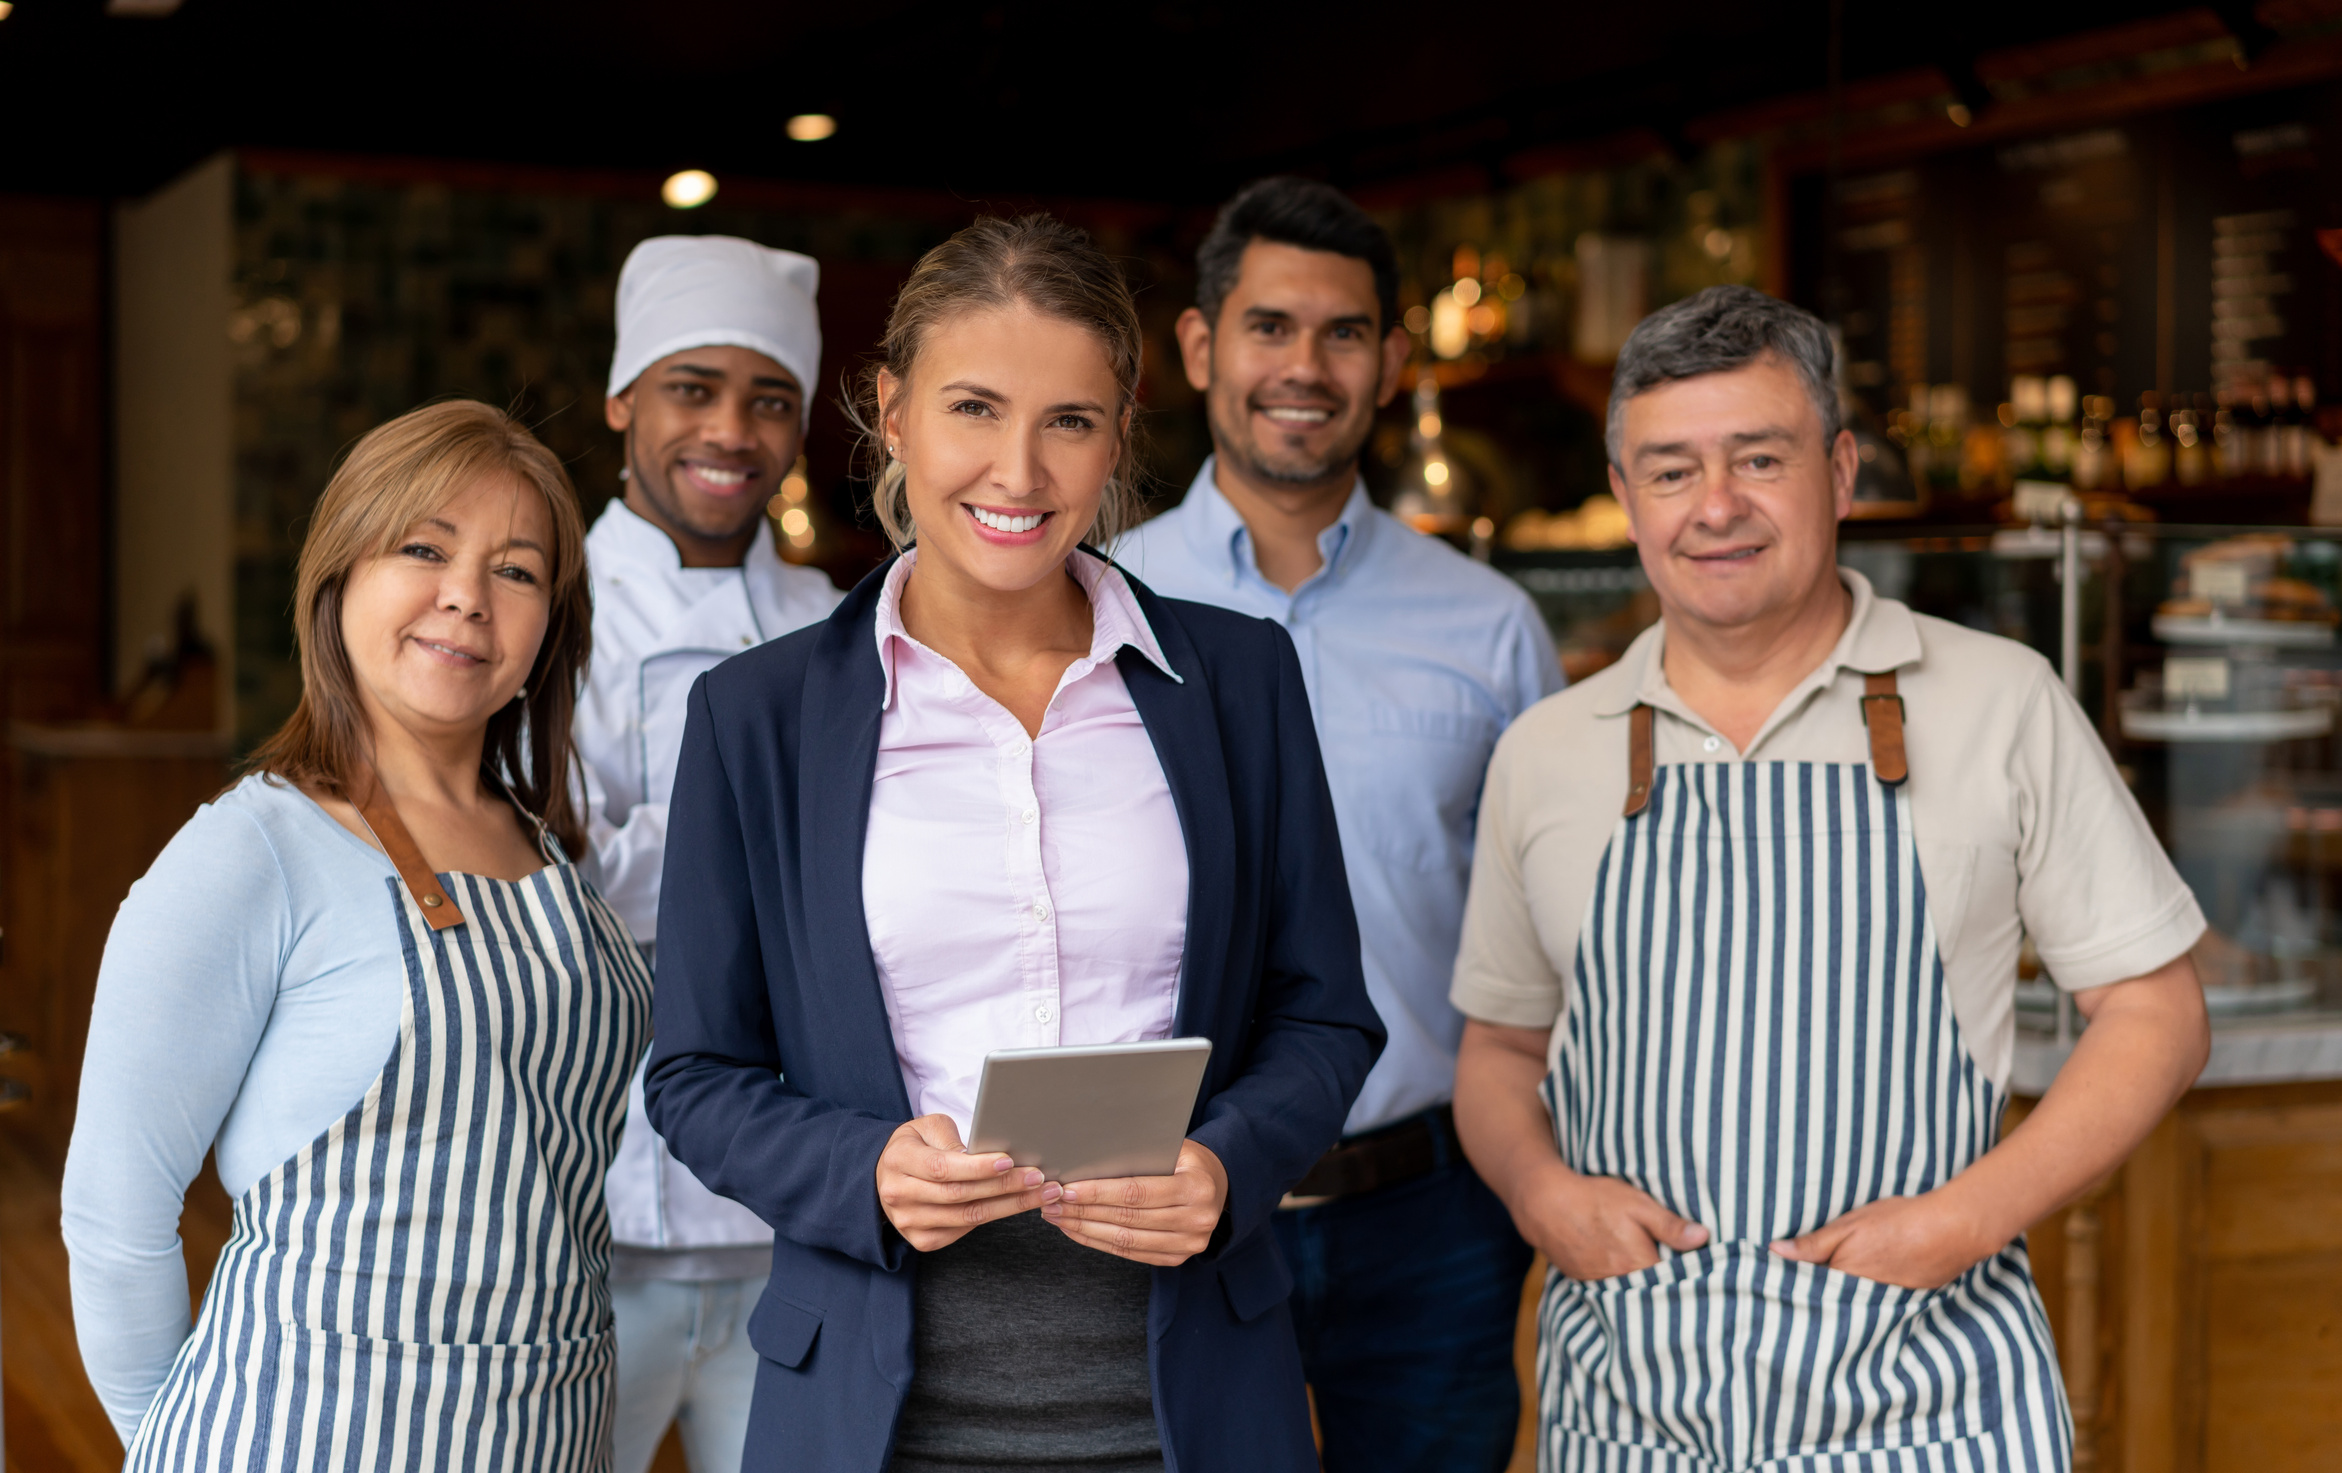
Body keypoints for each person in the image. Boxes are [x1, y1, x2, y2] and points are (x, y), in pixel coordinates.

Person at [643, 214, 1385, 1473]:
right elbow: (697, 1074)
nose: (1019, 471)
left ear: (1118, 434)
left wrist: (1222, 1166)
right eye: (974, 409)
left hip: (1192, 1392)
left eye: (1070, 422)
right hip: (873, 1412)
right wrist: (863, 1166)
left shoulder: (1242, 680)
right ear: (891, 412)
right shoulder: (757, 718)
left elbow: (1323, 1017)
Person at [1451, 285, 2212, 1470]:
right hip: (1635, 1404)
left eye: (1759, 458)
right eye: (1668, 471)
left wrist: (1961, 1221)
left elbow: (2156, 1014)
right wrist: (1539, 1193)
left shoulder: (1997, 698)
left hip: (1927, 1395)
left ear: (1840, 470)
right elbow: (1497, 1052)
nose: (1715, 508)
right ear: (1622, 497)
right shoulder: (1544, 750)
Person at [63, 400, 651, 1471]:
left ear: (549, 631)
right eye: (423, 548)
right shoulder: (252, 852)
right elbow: (114, 1213)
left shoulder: (555, 856)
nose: (467, 596)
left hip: (551, 1434)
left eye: (516, 572)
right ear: (337, 579)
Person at [1116, 175, 1562, 1471]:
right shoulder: (1096, 603)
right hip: (1157, 1202)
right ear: (1199, 347)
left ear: (1389, 362)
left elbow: (1547, 935)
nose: (1301, 366)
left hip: (1425, 1216)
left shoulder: (1487, 626)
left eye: (1342, 332)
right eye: (1268, 326)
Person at [580, 234, 844, 1473]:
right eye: (694, 388)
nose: (732, 430)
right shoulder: (541, 602)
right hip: (587, 1219)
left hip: (788, 1218)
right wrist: (772, 853)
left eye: (770, 399)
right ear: (624, 400)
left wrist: (654, 849)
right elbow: (550, 886)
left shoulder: (834, 626)